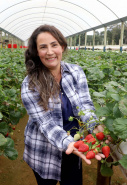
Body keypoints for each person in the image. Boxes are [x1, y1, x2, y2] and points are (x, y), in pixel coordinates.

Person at [21, 24, 104, 185]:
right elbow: (45, 123)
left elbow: (85, 104)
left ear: (62, 47)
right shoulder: (30, 84)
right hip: (44, 151)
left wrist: (94, 126)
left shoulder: (76, 72)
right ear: (36, 53)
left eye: (54, 45)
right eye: (43, 47)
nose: (50, 52)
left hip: (75, 146)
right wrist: (70, 144)